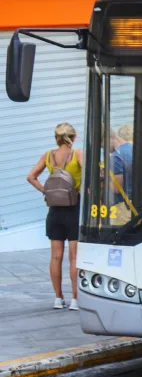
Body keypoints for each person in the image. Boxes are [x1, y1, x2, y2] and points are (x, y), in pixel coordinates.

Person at [25, 123, 82, 311]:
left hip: (54, 211)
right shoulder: (77, 155)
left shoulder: (48, 155)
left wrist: (46, 192)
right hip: (74, 209)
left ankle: (58, 298)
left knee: (55, 257)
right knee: (75, 258)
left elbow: (31, 176)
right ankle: (75, 300)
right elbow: (93, 176)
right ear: (72, 138)